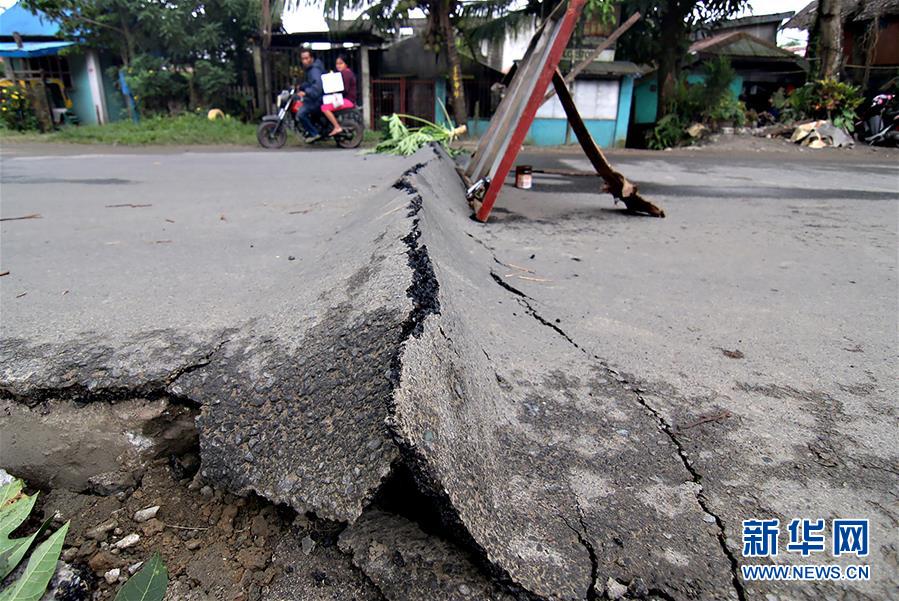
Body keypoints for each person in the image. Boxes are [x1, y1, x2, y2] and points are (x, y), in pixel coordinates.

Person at [321, 55, 357, 137]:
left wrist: (333, 90)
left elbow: (344, 89)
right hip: (345, 99)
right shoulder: (343, 73)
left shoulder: (346, 74)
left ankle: (337, 127)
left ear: (346, 64)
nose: (338, 65)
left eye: (341, 63)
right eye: (337, 63)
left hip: (348, 100)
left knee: (324, 107)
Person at [297, 48, 325, 142]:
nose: (304, 61)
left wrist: (306, 92)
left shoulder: (314, 70)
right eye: (303, 59)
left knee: (301, 114)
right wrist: (301, 86)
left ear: (311, 58)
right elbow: (310, 83)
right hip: (316, 97)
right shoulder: (311, 69)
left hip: (318, 99)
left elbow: (317, 88)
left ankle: (314, 133)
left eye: (306, 58)